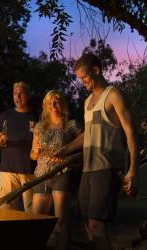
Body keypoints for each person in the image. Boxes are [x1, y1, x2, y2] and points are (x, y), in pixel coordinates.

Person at [55, 53, 138, 250]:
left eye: (85, 77)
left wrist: (133, 170)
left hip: (107, 169)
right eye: (80, 79)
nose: (83, 82)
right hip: (88, 170)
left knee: (97, 224)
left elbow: (131, 132)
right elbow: (87, 135)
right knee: (87, 224)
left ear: (96, 70)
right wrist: (65, 149)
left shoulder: (113, 95)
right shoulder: (88, 102)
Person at [30, 90, 81, 250]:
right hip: (41, 175)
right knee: (36, 220)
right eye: (50, 102)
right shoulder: (39, 127)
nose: (53, 105)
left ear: (62, 104)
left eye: (57, 101)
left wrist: (68, 156)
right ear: (45, 105)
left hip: (62, 175)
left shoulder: (72, 125)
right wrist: (36, 152)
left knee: (61, 222)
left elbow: (83, 145)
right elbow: (32, 155)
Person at [0, 81, 37, 212]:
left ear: (27, 95)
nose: (17, 97)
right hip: (7, 172)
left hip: (30, 172)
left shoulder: (36, 117)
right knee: (5, 212)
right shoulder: (5, 116)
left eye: (21, 93)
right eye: (15, 93)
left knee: (32, 213)